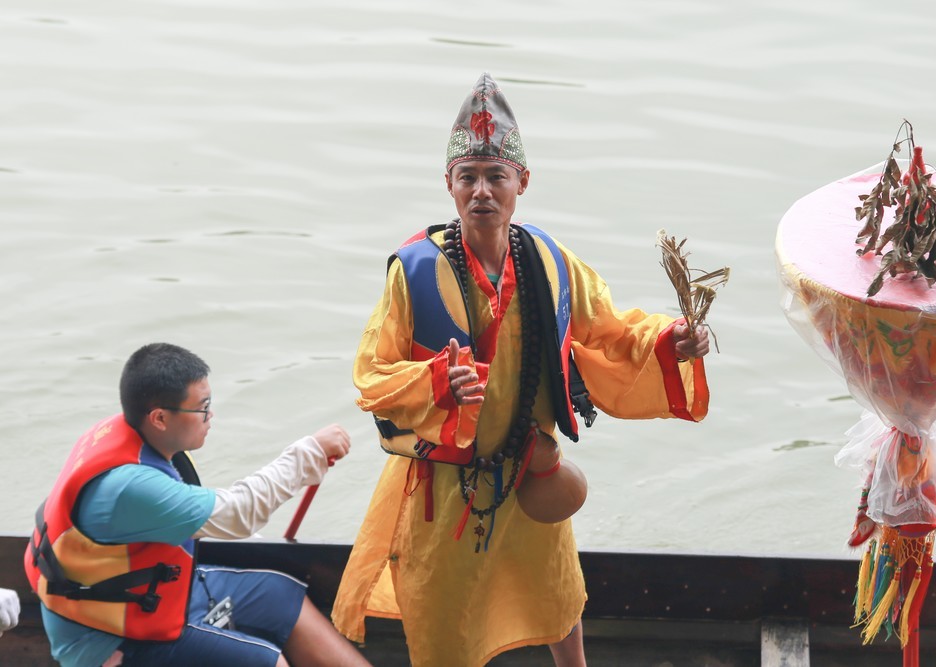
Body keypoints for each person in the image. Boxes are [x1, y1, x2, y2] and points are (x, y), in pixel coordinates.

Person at [332, 73, 712, 666]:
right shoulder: (414, 272)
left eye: (496, 176)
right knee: (443, 619)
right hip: (448, 485)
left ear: (522, 183)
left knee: (558, 594)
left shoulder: (549, 262)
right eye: (468, 177)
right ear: (449, 185)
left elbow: (611, 330)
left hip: (530, 464)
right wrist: (436, 382)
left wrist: (672, 340)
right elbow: (372, 374)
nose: (481, 191)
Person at [24, 343, 371, 667]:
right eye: (202, 408)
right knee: (267, 662)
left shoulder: (132, 437)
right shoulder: (130, 488)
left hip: (152, 595)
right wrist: (308, 453)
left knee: (281, 596)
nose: (210, 415)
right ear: (160, 418)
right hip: (113, 641)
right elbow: (239, 513)